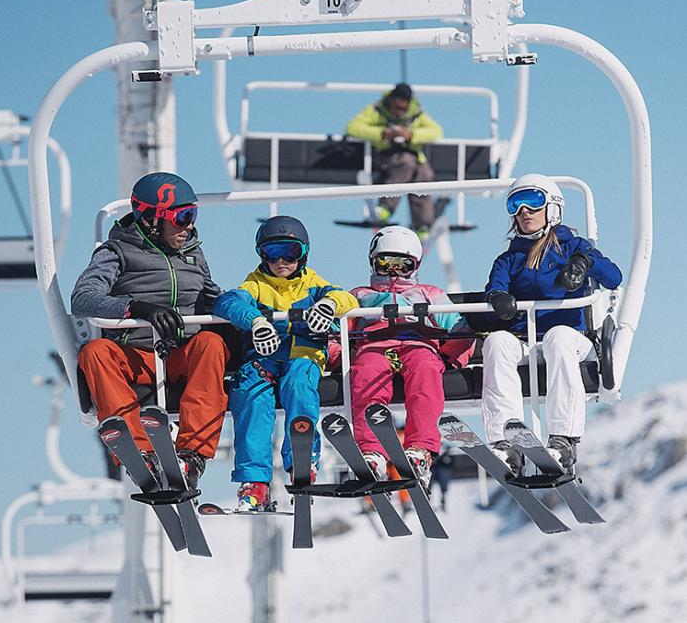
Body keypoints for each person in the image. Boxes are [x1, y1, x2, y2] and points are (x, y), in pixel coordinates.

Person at [71, 172, 229, 488]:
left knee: (211, 343)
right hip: (135, 357)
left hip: (179, 355)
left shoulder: (193, 254)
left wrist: (249, 309)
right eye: (181, 217)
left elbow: (213, 297)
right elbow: (83, 298)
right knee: (95, 352)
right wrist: (138, 309)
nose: (189, 226)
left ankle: (192, 455)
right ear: (152, 219)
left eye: (192, 215)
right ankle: (138, 451)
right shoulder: (116, 251)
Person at [481, 173, 622, 476]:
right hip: (528, 340)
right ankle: (506, 443)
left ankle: (563, 439)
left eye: (532, 201)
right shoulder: (508, 260)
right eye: (515, 204)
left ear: (553, 207)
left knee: (558, 337)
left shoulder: (574, 247)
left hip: (571, 341)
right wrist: (497, 299)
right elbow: (494, 288)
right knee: (496, 342)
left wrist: (585, 262)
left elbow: (614, 277)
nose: (524, 211)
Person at [213, 216, 357, 511]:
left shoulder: (313, 284)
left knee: (299, 383)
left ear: (303, 253)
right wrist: (254, 321)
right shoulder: (255, 284)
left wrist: (329, 306)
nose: (281, 261)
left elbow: (347, 299)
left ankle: (302, 463)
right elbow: (227, 302)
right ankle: (255, 482)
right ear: (260, 255)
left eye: (289, 252)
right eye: (271, 252)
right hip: (265, 359)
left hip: (302, 355)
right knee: (250, 391)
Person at [348, 226, 475, 490]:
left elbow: (460, 328)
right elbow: (339, 330)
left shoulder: (430, 294)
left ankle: (420, 449)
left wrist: (450, 358)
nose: (393, 272)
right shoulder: (359, 296)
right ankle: (372, 451)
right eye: (386, 264)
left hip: (418, 343)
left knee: (425, 368)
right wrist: (339, 358)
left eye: (402, 265)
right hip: (375, 345)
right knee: (365, 370)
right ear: (373, 263)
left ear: (414, 266)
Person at [346, 83, 443, 241]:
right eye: (396, 108)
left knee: (424, 172)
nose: (399, 113)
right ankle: (385, 207)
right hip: (383, 155)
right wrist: (382, 134)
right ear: (391, 100)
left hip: (412, 157)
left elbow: (436, 131)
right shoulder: (376, 110)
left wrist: (411, 135)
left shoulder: (417, 113)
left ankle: (422, 224)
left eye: (403, 109)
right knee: (407, 163)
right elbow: (352, 127)